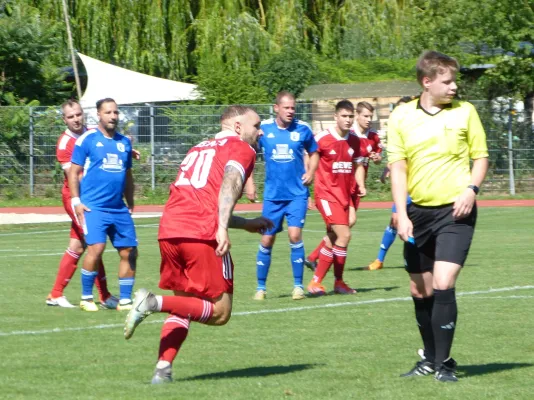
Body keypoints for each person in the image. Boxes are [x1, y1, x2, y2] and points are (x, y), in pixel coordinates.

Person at [123, 106, 273, 384]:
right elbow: (230, 182)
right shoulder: (241, 147)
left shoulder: (198, 148)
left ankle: (162, 370)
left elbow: (201, 199)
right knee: (220, 312)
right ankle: (152, 302)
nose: (260, 131)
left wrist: (244, 223)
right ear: (238, 127)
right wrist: (222, 228)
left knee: (184, 305)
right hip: (201, 234)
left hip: (170, 230)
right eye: (257, 125)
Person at [388, 51, 489, 382]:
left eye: (454, 80)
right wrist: (401, 214)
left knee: (444, 283)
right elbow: (398, 169)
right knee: (420, 290)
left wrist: (471, 189)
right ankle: (429, 359)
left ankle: (444, 363)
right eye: (447, 81)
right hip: (418, 214)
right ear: (426, 82)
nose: (454, 87)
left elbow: (480, 157)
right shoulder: (401, 116)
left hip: (455, 213)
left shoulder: (466, 113)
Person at [68, 98, 139, 312]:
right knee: (96, 249)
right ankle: (86, 298)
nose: (113, 116)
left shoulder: (124, 142)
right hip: (93, 207)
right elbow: (73, 171)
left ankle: (125, 300)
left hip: (118, 208)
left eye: (116, 112)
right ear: (99, 114)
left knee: (129, 251)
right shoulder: (87, 140)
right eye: (108, 112)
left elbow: (127, 174)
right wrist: (76, 202)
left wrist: (131, 201)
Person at [46, 99, 117, 309]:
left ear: (83, 114)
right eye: (71, 116)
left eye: (78, 114)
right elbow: (73, 176)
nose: (76, 119)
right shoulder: (65, 143)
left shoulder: (92, 133)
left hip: (92, 196)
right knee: (95, 243)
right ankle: (103, 296)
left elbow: (110, 148)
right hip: (76, 198)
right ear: (64, 119)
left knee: (77, 245)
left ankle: (56, 294)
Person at [253, 91, 319, 301]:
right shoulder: (263, 130)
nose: (291, 111)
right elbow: (249, 153)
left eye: (293, 107)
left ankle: (298, 286)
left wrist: (311, 172)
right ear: (276, 108)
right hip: (273, 196)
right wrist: (249, 182)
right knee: (267, 238)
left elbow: (315, 152)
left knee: (294, 235)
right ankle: (261, 288)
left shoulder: (303, 129)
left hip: (297, 194)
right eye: (287, 107)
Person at [305, 101, 382, 271]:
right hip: (336, 188)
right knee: (345, 227)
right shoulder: (345, 136)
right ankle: (322, 269)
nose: (368, 120)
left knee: (342, 228)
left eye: (371, 116)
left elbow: (369, 161)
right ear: (358, 117)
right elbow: (312, 155)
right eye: (365, 116)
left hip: (352, 186)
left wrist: (377, 161)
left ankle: (315, 260)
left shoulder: (372, 137)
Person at [306, 100, 365, 296]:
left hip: (344, 195)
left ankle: (316, 280)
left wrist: (360, 186)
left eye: (350, 117)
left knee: (334, 237)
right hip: (325, 194)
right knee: (344, 235)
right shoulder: (322, 138)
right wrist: (307, 186)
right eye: (344, 116)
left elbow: (357, 167)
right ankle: (337, 282)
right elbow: (309, 157)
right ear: (335, 116)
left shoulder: (355, 141)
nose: (348, 120)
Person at [366, 96, 414, 271]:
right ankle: (379, 260)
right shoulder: (398, 132)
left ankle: (412, 259)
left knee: (417, 223)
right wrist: (387, 170)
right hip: (404, 187)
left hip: (419, 186)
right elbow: (396, 157)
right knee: (395, 220)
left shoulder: (418, 130)